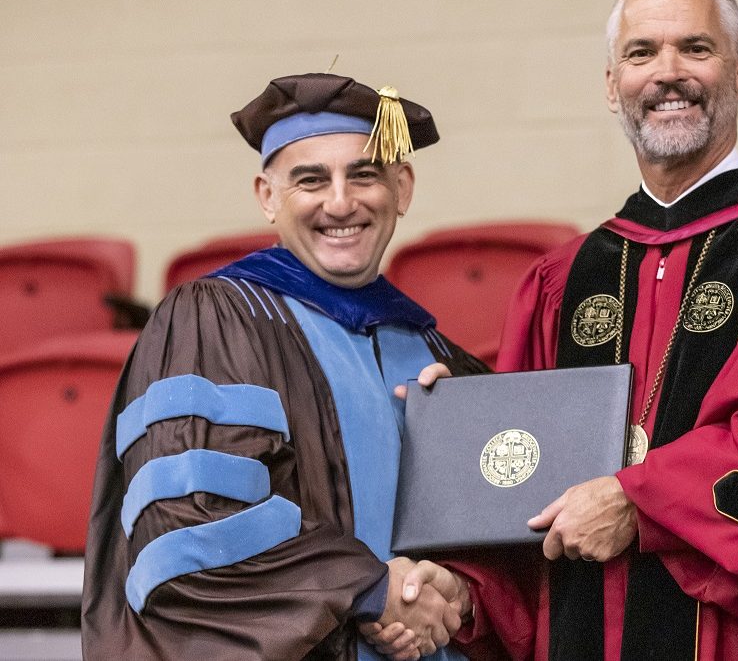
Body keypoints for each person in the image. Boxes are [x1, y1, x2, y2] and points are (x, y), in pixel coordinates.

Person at [372, 0, 738, 660]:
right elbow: (524, 498)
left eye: (694, 48)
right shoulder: (562, 279)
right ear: (613, 86)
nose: (667, 72)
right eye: (641, 53)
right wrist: (461, 585)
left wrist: (642, 504)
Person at [81, 72, 484, 660]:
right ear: (267, 197)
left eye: (364, 174)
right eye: (310, 180)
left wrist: (458, 594)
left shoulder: (443, 359)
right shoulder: (215, 319)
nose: (340, 202)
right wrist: (370, 591)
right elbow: (188, 525)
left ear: (403, 188)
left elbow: (504, 548)